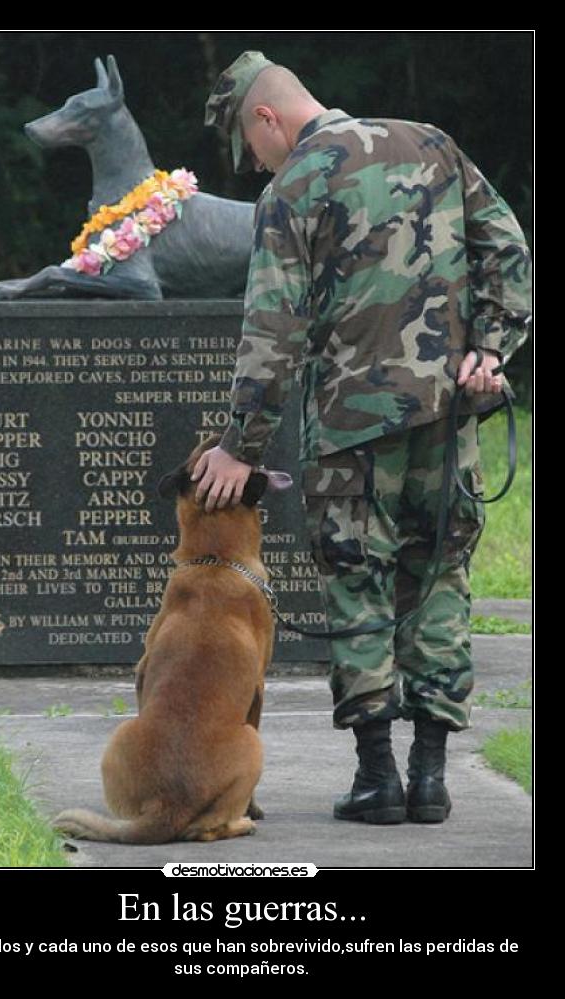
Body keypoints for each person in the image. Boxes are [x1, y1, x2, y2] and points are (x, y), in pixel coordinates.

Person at [194, 51, 532, 824]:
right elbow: (510, 251)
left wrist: (239, 445)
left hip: (351, 431)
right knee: (439, 577)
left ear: (266, 117)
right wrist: (492, 349)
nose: (256, 163)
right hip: (446, 418)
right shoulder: (433, 144)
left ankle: (378, 777)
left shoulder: (293, 188)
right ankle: (431, 777)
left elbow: (273, 330)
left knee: (358, 583)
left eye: (251, 148)